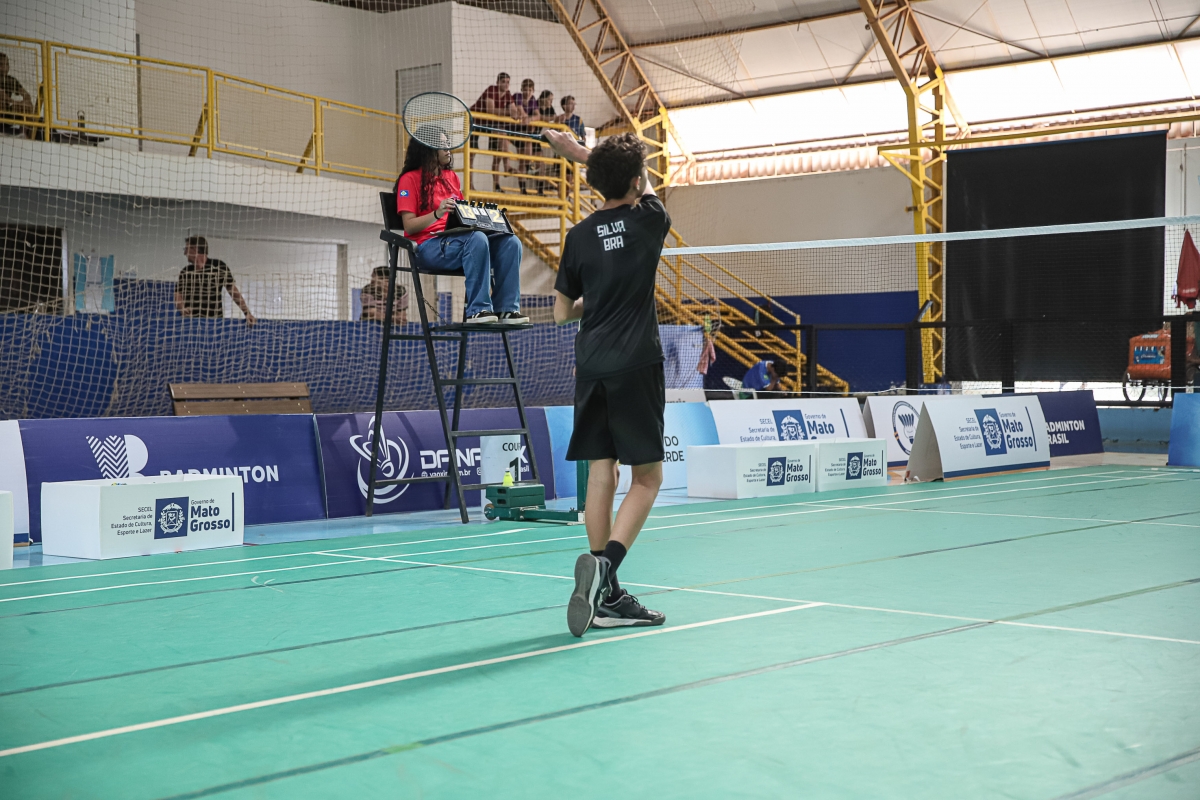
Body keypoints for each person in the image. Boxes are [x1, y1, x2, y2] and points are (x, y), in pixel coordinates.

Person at [545, 128, 671, 636]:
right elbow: (648, 185)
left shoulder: (577, 236)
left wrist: (594, 302)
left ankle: (608, 598)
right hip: (636, 363)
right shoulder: (650, 219)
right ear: (637, 180)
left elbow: (560, 314)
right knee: (647, 479)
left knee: (602, 472)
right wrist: (584, 154)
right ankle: (605, 570)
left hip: (591, 364)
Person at [396, 128, 527, 325]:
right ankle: (478, 310)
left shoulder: (452, 177)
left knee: (511, 242)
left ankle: (506, 309)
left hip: (458, 241)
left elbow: (462, 217)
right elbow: (409, 226)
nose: (448, 149)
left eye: (448, 144)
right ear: (427, 148)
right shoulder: (409, 179)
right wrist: (437, 213)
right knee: (476, 239)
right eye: (442, 145)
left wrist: (488, 222)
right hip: (427, 247)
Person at [175, 236, 256, 325]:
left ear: (194, 249)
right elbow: (178, 293)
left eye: (186, 249)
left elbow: (233, 290)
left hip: (215, 323)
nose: (185, 253)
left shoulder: (218, 267)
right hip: (191, 322)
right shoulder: (186, 272)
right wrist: (182, 308)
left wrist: (247, 313)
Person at [469, 73, 528, 191]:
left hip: (489, 122)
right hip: (475, 120)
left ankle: (507, 167)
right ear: (498, 82)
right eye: (503, 82)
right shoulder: (491, 90)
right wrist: (509, 112)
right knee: (471, 154)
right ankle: (470, 185)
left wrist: (518, 113)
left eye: (508, 82)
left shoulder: (508, 94)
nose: (506, 84)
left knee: (503, 135)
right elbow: (490, 110)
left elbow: (513, 110)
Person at [511, 79, 539, 194]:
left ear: (533, 91)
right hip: (514, 129)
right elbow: (520, 111)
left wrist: (530, 119)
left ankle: (523, 188)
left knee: (523, 160)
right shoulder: (517, 96)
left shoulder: (533, 100)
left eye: (530, 90)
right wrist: (528, 118)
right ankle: (528, 168)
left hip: (525, 131)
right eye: (525, 90)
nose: (527, 92)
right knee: (523, 155)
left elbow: (538, 116)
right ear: (522, 89)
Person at [0, 53, 34, 137]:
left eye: (6, 64)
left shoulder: (11, 80)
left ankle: (23, 134)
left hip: (6, 113)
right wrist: (14, 102)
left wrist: (23, 102)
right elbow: (2, 96)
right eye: (1, 64)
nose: (4, 67)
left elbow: (27, 95)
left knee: (28, 106)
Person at [535, 90, 557, 196]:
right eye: (549, 99)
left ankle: (540, 191)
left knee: (542, 165)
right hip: (527, 135)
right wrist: (546, 118)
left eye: (552, 100)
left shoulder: (550, 108)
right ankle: (524, 189)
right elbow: (539, 117)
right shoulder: (535, 104)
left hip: (535, 138)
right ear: (542, 99)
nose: (551, 102)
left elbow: (555, 118)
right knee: (525, 163)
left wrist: (546, 118)